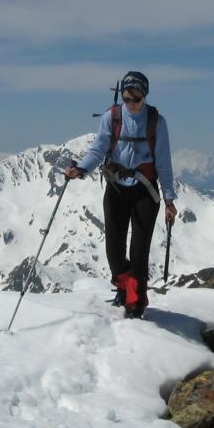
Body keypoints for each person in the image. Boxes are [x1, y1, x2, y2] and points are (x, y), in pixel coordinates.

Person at [64, 70, 177, 318]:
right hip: (116, 188)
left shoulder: (157, 122)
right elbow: (98, 150)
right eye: (127, 98)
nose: (132, 104)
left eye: (136, 99)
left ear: (145, 96)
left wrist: (169, 200)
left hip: (145, 192)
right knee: (114, 252)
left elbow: (164, 164)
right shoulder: (111, 118)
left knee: (139, 252)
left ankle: (136, 303)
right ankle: (125, 287)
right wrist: (81, 169)